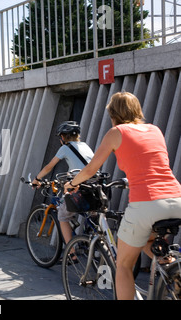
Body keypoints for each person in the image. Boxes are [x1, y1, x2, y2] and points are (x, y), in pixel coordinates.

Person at [63, 92, 181, 300]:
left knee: (124, 265)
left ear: (114, 113)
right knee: (147, 239)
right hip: (176, 197)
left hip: (147, 203)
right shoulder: (155, 130)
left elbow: (91, 170)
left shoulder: (116, 132)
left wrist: (72, 184)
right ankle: (170, 267)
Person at [32, 121, 94, 250]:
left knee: (63, 216)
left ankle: (72, 253)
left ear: (62, 137)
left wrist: (37, 179)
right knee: (91, 214)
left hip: (79, 187)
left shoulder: (65, 148)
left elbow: (49, 166)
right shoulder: (84, 145)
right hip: (94, 185)